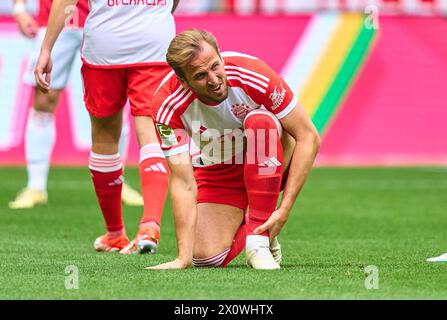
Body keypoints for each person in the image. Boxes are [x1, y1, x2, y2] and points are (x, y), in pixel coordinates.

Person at [146, 29, 320, 270]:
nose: (214, 80)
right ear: (183, 81)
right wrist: (182, 257)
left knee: (261, 122)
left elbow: (307, 136)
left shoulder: (253, 73)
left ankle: (258, 242)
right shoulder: (166, 106)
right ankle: (255, 220)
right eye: (200, 75)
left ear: (220, 55)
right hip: (219, 169)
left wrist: (284, 209)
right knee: (205, 258)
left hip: (272, 157)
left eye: (216, 66)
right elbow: (183, 182)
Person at [34, 0, 180, 254]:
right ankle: (149, 226)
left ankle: (114, 234)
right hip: (154, 43)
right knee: (151, 134)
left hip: (105, 45)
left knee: (104, 138)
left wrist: (47, 48)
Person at [9, 0, 144, 209]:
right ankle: (35, 186)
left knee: (114, 99)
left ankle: (118, 180)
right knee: (45, 98)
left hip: (104, 16)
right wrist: (19, 8)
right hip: (56, 15)